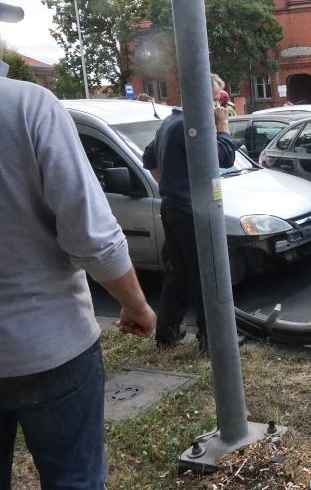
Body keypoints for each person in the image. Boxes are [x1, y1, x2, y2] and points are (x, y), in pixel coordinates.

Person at [0, 30, 156, 487]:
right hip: (49, 345)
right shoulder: (27, 106)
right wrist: (136, 304)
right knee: (75, 477)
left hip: (47, 347)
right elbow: (93, 237)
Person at [142, 73, 241, 351]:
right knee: (207, 275)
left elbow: (148, 157)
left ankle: (167, 335)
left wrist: (171, 185)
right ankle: (212, 342)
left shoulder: (170, 122)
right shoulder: (192, 125)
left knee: (178, 273)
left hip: (173, 208)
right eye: (213, 100)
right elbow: (224, 157)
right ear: (199, 98)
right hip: (192, 213)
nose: (216, 106)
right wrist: (223, 127)